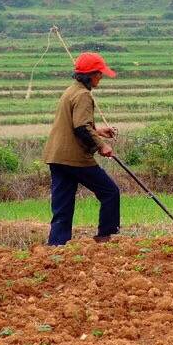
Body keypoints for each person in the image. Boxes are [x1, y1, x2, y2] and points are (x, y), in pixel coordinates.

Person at [42, 52, 121, 245]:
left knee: (62, 207)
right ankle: (106, 237)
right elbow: (81, 127)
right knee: (110, 192)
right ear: (90, 75)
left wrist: (99, 131)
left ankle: (57, 246)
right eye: (99, 73)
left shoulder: (70, 91)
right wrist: (102, 145)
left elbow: (74, 125)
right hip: (74, 158)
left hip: (56, 156)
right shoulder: (83, 95)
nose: (101, 77)